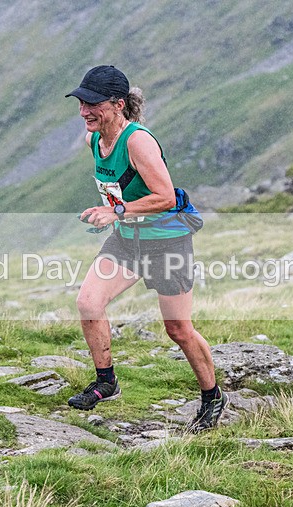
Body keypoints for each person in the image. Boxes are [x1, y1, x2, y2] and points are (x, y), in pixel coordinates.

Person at [64, 65, 227, 433]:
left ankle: (212, 396)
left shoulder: (138, 141)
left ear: (118, 104)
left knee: (178, 329)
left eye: (92, 103)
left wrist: (116, 210)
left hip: (166, 242)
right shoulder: (95, 139)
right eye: (81, 103)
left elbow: (165, 196)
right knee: (89, 302)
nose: (84, 111)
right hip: (127, 241)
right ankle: (106, 381)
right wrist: (108, 212)